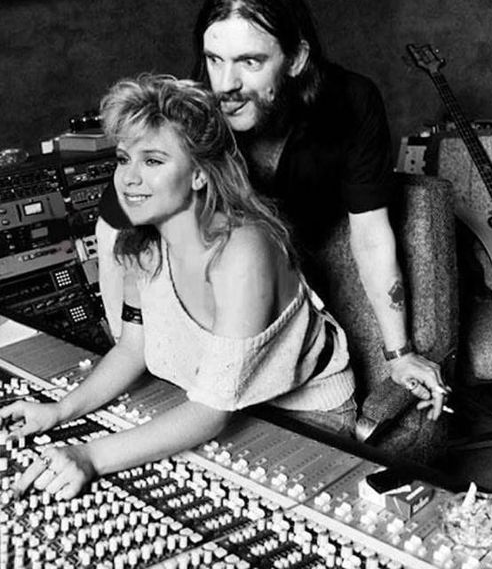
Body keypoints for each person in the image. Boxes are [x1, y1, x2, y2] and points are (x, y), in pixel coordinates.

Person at [99, 0, 449, 419]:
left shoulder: (351, 100)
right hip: (205, 324)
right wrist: (131, 348)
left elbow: (371, 236)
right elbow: (119, 226)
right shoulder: (194, 109)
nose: (225, 84)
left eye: (249, 62)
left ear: (296, 58)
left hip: (292, 323)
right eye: (214, 59)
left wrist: (398, 353)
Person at [0, 75, 357, 499]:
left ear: (199, 175)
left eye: (152, 161)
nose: (128, 179)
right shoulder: (141, 244)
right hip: (223, 404)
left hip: (304, 416)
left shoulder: (244, 250)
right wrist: (60, 411)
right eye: (123, 159)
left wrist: (89, 456)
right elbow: (132, 349)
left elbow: (211, 411)